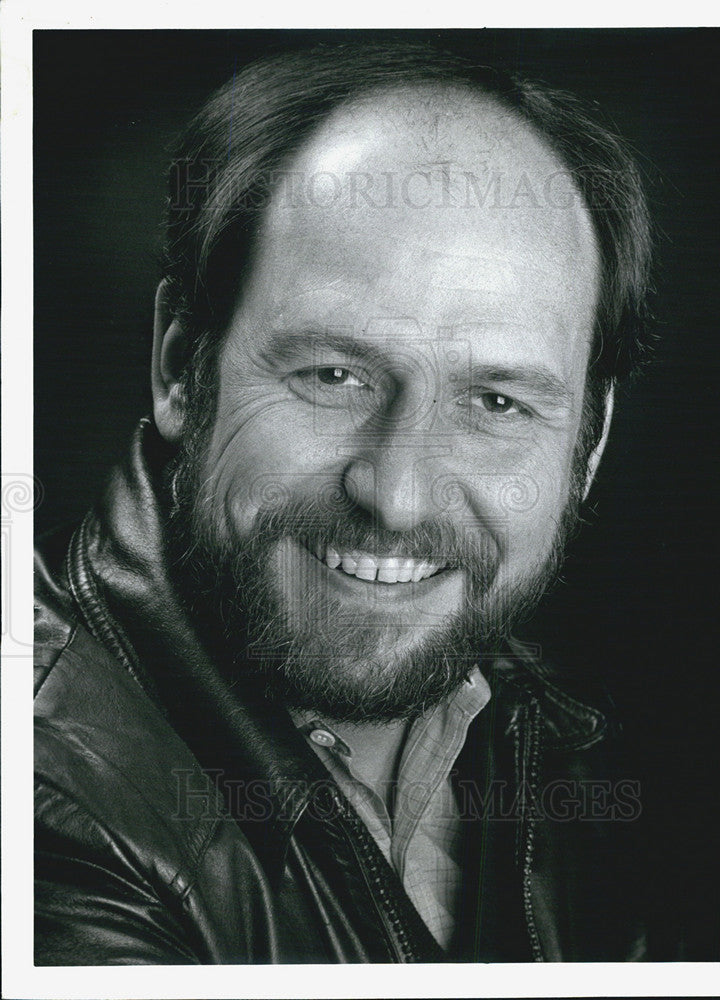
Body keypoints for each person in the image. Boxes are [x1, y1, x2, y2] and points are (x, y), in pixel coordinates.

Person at [34, 40, 653, 964]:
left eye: (496, 403)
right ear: (179, 369)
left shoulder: (545, 738)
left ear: (589, 445)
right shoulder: (47, 815)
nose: (398, 496)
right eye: (334, 375)